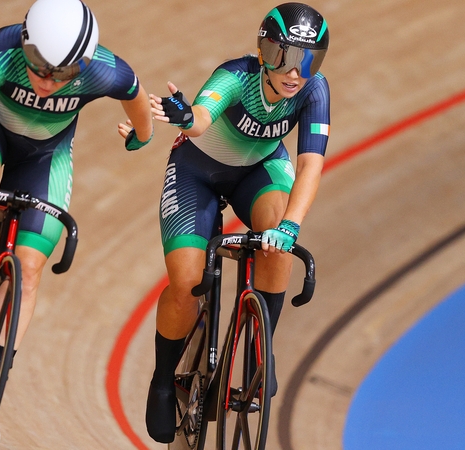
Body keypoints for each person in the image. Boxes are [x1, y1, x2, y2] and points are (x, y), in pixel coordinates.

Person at [0, 0, 153, 447]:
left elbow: (137, 98)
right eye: (39, 66)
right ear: (25, 42)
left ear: (83, 64)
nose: (47, 81)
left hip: (45, 156)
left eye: (63, 74)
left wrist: (143, 134)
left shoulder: (105, 70)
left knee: (31, 263)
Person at [144, 2, 330, 443]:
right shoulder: (236, 75)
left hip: (259, 173)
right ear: (265, 51)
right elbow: (204, 115)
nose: (296, 72)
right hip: (197, 173)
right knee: (188, 284)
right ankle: (164, 378)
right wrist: (187, 118)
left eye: (309, 60)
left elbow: (309, 167)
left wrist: (290, 229)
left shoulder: (314, 90)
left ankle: (257, 354)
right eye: (286, 56)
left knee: (278, 244)